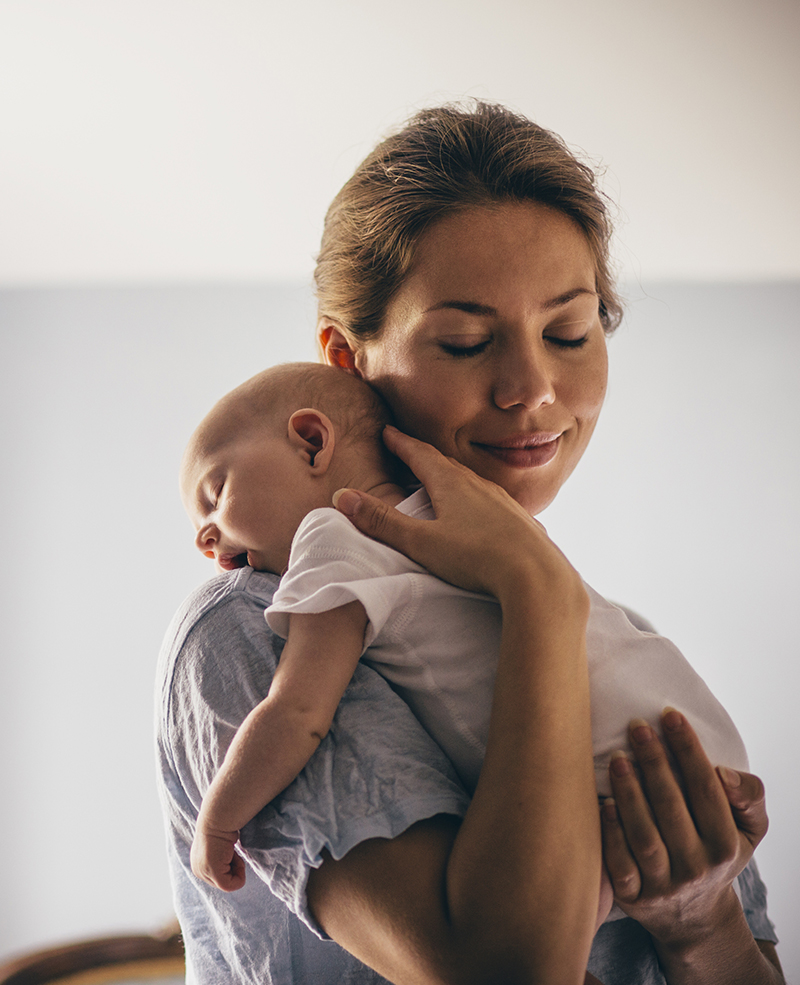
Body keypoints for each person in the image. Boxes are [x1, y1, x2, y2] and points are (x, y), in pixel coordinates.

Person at [156, 101, 782, 984]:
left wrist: (702, 924)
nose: (530, 389)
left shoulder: (613, 648)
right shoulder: (255, 625)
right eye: (464, 341)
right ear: (348, 362)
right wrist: (538, 594)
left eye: (570, 329)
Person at [180, 359, 750, 931]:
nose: (206, 538)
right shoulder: (480, 520)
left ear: (310, 443)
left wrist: (219, 821)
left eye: (215, 493)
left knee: (539, 937)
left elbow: (298, 710)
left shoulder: (333, 537)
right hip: (700, 748)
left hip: (612, 769)